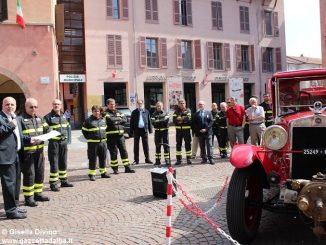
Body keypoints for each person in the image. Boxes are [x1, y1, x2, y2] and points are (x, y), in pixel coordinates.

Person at [20, 98, 51, 207]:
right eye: (31, 107)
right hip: (27, 153)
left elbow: (48, 130)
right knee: (30, 175)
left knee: (40, 173)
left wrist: (51, 134)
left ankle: (38, 193)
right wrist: (29, 139)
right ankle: (28, 198)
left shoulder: (40, 119)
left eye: (35, 107)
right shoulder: (21, 120)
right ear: (26, 107)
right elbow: (19, 136)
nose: (34, 109)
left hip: (39, 151)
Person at [0, 97, 26, 219]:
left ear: (15, 106)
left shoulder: (15, 118)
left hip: (16, 155)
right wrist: (10, 125)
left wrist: (30, 140)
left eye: (12, 104)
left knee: (15, 183)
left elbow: (18, 136)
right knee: (9, 184)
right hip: (5, 157)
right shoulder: (1, 118)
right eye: (7, 104)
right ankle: (10, 211)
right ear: (2, 105)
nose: (10, 106)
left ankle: (14, 206)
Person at [44, 99, 74, 191]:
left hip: (63, 143)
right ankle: (53, 183)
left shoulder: (64, 116)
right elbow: (45, 130)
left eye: (58, 104)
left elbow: (67, 128)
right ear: (52, 105)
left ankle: (64, 181)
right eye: (55, 104)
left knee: (63, 162)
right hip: (54, 144)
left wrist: (68, 140)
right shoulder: (48, 117)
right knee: (54, 163)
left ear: (61, 106)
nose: (56, 106)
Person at [104, 98, 135, 174]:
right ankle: (115, 169)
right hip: (111, 137)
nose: (113, 106)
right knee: (114, 153)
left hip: (120, 136)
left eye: (114, 104)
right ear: (107, 105)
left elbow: (125, 119)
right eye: (111, 104)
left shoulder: (119, 112)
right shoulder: (105, 113)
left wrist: (115, 121)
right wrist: (118, 120)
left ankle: (127, 167)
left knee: (124, 151)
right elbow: (109, 121)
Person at [82, 105, 110, 181]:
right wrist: (90, 138)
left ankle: (103, 173)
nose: (97, 112)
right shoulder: (88, 121)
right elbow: (84, 131)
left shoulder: (103, 120)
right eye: (95, 111)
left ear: (100, 112)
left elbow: (105, 130)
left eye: (98, 111)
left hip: (103, 142)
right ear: (92, 112)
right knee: (92, 159)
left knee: (103, 158)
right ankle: (92, 174)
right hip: (93, 143)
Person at [130, 99, 153, 165]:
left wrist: (150, 129)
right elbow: (131, 122)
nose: (140, 104)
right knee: (136, 145)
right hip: (137, 130)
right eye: (138, 103)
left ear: (143, 104)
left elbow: (149, 121)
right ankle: (136, 160)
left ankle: (147, 159)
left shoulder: (146, 111)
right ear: (137, 104)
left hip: (144, 130)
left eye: (141, 103)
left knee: (146, 145)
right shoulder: (134, 112)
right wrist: (131, 131)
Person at [173, 99, 192, 165]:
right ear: (178, 104)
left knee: (188, 144)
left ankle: (188, 159)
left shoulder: (188, 110)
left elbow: (189, 119)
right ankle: (179, 159)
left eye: (183, 103)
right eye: (180, 103)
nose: (182, 104)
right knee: (178, 145)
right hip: (178, 131)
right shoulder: (176, 111)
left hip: (186, 130)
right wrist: (183, 118)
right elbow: (174, 121)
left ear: (185, 104)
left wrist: (180, 119)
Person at [151, 102, 170, 166]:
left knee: (166, 146)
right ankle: (157, 161)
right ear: (156, 107)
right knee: (157, 146)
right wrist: (161, 121)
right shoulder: (153, 114)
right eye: (157, 106)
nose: (158, 107)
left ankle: (167, 160)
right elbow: (153, 122)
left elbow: (166, 121)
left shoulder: (166, 113)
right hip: (157, 132)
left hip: (164, 132)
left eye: (160, 106)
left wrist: (158, 121)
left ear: (162, 106)